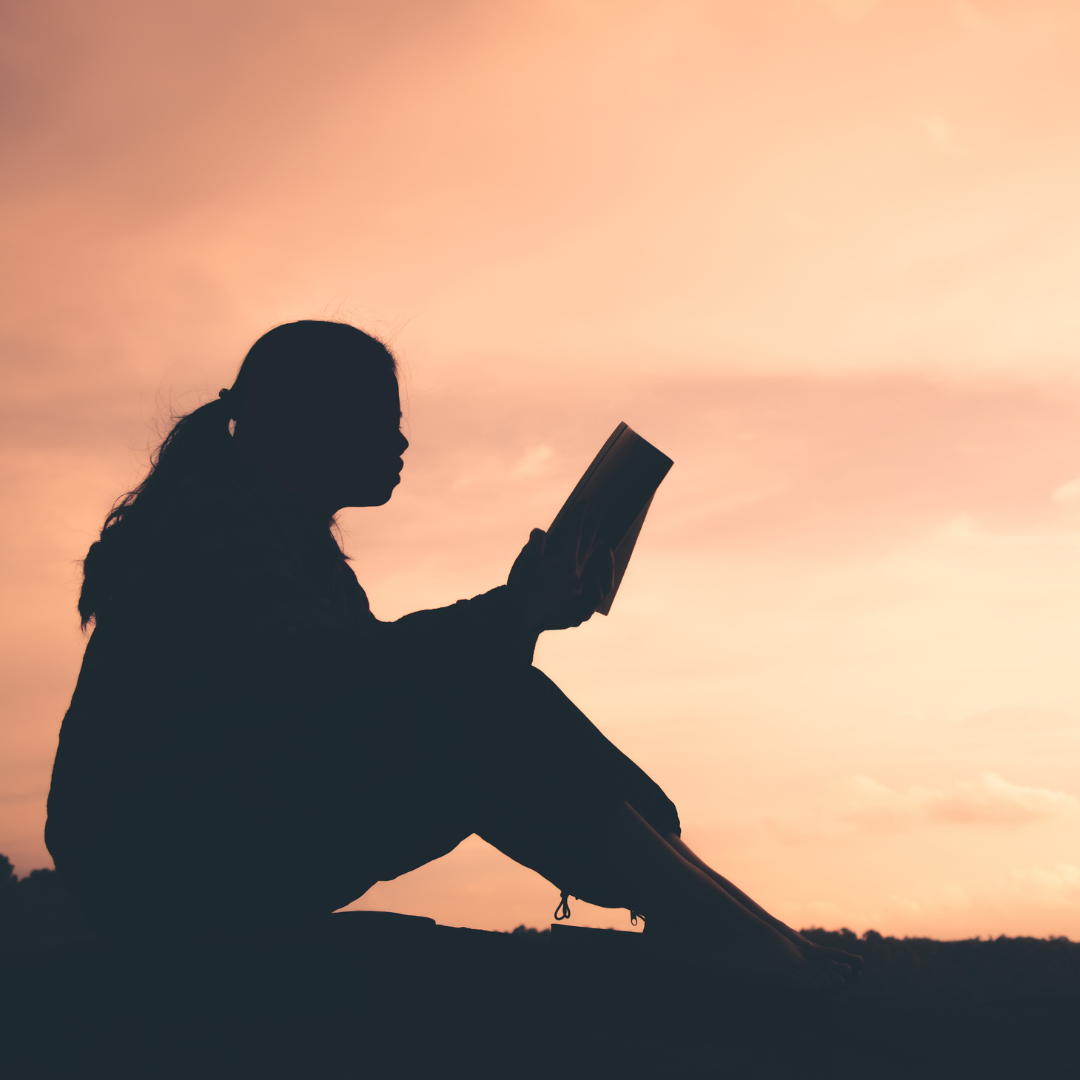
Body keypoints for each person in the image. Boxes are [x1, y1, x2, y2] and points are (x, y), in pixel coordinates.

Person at [46, 320, 860, 988]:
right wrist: (516, 611)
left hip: (194, 841)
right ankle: (746, 945)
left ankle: (755, 936)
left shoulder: (270, 525)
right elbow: (330, 682)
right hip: (164, 863)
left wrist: (523, 616)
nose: (402, 439)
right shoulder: (218, 521)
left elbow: (352, 685)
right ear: (311, 417)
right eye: (380, 416)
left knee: (484, 692)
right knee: (484, 699)